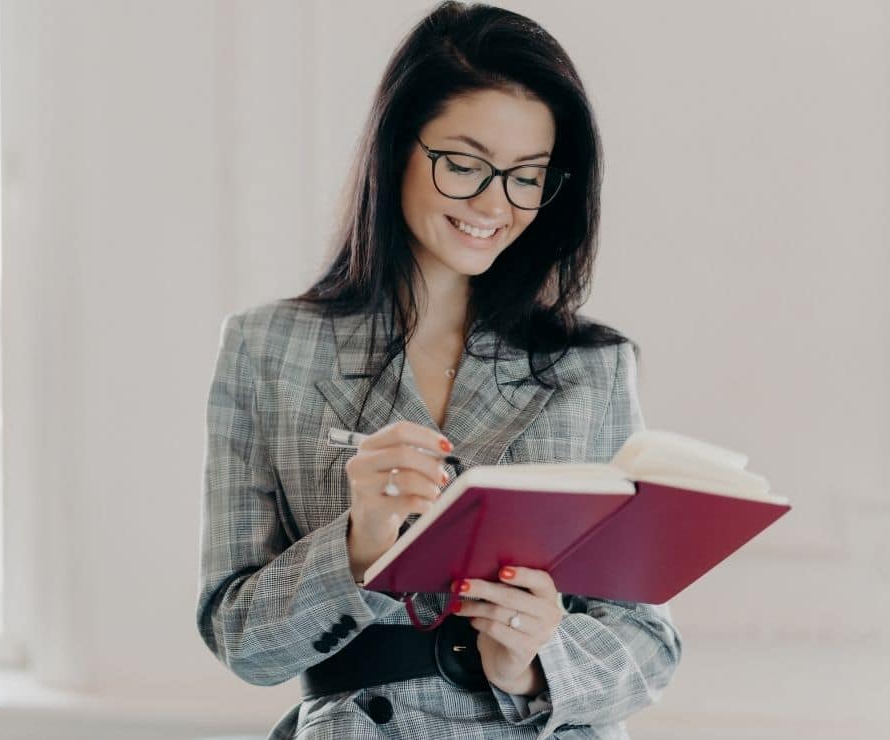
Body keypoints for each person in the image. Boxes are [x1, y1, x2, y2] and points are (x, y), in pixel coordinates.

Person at [196, 2, 682, 738]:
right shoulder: (267, 350)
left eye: (527, 176)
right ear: (397, 148)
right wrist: (359, 544)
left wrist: (533, 659)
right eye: (463, 164)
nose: (495, 204)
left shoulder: (594, 368)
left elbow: (648, 643)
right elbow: (239, 640)